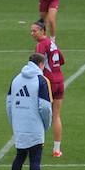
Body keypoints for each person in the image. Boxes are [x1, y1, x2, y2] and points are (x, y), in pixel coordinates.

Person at [5, 52, 54, 170]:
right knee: (35, 159)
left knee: (20, 156)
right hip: (34, 125)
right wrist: (46, 125)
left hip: (19, 124)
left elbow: (8, 103)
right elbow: (45, 107)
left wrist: (13, 121)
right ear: (41, 64)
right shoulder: (41, 80)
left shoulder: (16, 79)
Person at [31, 20, 67, 157]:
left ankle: (37, 144)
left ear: (42, 31)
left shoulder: (41, 45)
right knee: (56, 114)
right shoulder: (52, 43)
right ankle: (57, 149)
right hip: (60, 80)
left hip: (48, 82)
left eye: (34, 30)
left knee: (37, 112)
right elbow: (62, 60)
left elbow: (37, 66)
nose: (32, 33)